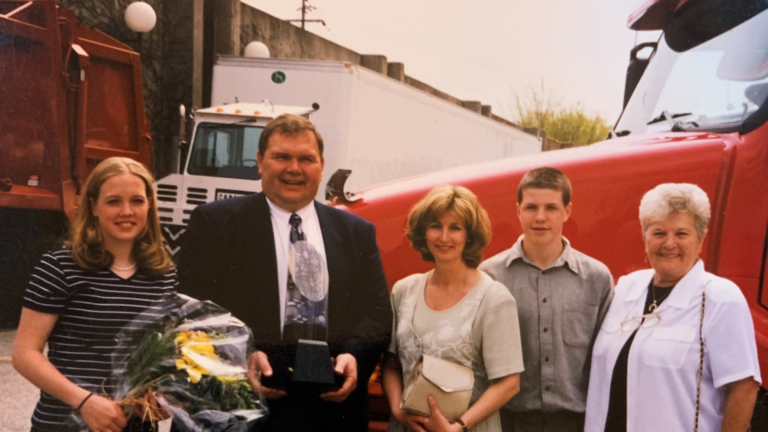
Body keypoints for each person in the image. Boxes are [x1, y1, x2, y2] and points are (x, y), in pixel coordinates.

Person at [178, 114, 392, 432]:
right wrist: (238, 359)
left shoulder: (355, 232)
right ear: (260, 162)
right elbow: (191, 310)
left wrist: (353, 358)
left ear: (321, 165)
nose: (294, 168)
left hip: (332, 412)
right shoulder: (216, 224)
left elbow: (376, 312)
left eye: (306, 159)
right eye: (282, 157)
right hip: (242, 409)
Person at [12, 157, 177, 432]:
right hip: (65, 424)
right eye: (114, 201)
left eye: (137, 200)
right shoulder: (60, 266)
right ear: (94, 207)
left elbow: (161, 353)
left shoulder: (162, 273)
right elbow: (25, 354)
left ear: (149, 205)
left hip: (135, 426)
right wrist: (85, 402)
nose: (127, 211)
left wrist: (162, 395)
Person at [584, 183, 761, 432]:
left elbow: (743, 387)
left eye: (681, 234)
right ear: (644, 237)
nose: (669, 243)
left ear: (700, 239)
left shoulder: (720, 297)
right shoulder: (625, 289)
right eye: (658, 233)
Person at [479, 167, 614, 432]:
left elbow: (607, 360)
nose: (540, 217)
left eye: (551, 207)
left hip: (575, 424)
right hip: (509, 422)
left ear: (567, 211)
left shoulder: (597, 278)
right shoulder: (490, 276)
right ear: (518, 210)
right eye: (531, 207)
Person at [382, 185, 524, 432]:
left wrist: (458, 427)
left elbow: (509, 383)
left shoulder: (493, 298)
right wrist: (398, 411)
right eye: (436, 226)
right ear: (424, 232)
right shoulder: (404, 290)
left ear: (469, 235)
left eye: (455, 228)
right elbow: (391, 365)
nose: (444, 237)